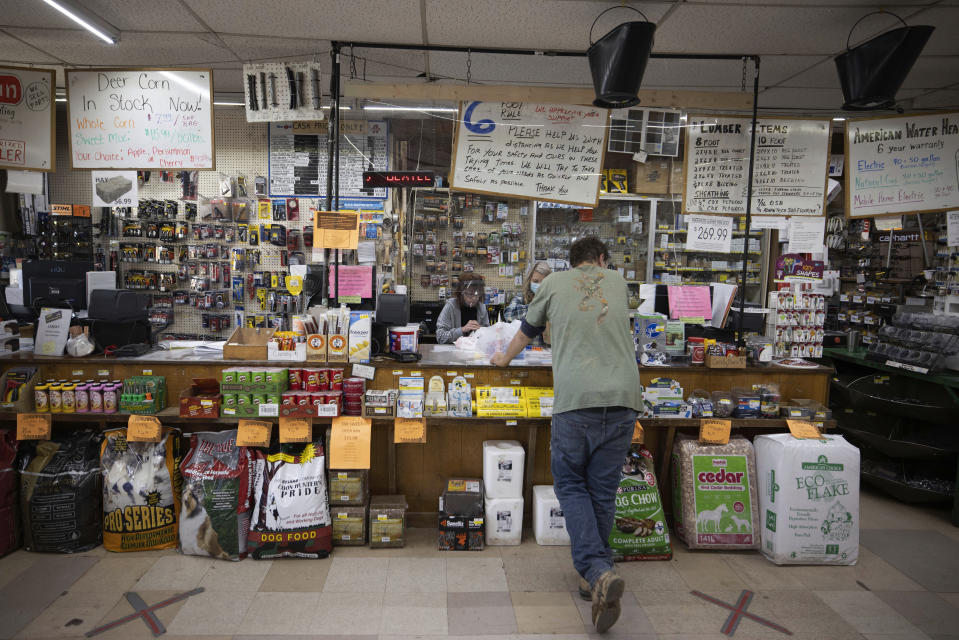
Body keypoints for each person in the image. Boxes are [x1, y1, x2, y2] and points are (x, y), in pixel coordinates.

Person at [490, 237, 640, 634]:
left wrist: (503, 358)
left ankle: (596, 570)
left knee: (571, 485)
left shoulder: (554, 282)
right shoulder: (619, 281)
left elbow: (527, 329)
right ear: (602, 259)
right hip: (625, 399)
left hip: (578, 402)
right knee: (602, 490)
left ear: (571, 262)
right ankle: (593, 575)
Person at [503, 261, 552, 344]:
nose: (540, 285)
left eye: (544, 282)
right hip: (524, 350)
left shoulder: (553, 300)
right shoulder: (521, 298)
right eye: (535, 281)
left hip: (547, 351)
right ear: (529, 281)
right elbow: (509, 315)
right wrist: (537, 307)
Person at [436, 273, 490, 344]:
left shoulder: (481, 308)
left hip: (475, 353)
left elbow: (488, 335)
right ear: (461, 293)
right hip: (453, 352)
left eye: (477, 294)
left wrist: (482, 331)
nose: (474, 298)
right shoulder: (451, 306)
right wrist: (462, 330)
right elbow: (440, 337)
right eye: (470, 294)